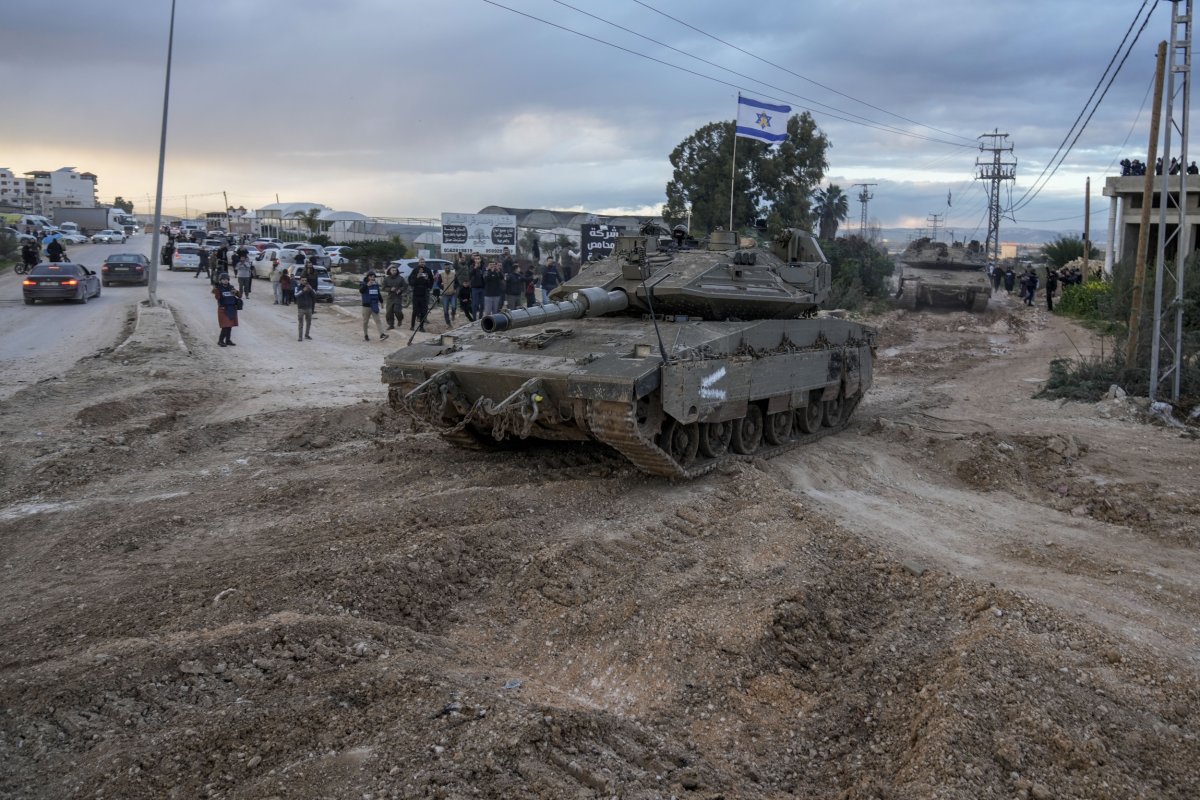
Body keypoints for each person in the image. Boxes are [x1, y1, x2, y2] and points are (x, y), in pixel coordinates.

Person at [212, 273, 242, 347]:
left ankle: (228, 340)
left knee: (230, 326)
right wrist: (215, 289)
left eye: (226, 279)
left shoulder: (231, 287)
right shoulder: (218, 288)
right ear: (220, 280)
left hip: (232, 308)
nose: (225, 281)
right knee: (225, 326)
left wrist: (237, 292)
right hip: (223, 309)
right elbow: (217, 298)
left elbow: (240, 296)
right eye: (223, 279)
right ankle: (220, 340)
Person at [359, 272, 387, 341]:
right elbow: (361, 291)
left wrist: (381, 301)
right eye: (371, 277)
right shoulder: (363, 284)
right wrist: (367, 286)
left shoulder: (376, 285)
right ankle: (366, 335)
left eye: (373, 277)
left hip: (374, 305)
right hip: (366, 306)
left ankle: (382, 335)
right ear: (368, 277)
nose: (372, 278)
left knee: (378, 320)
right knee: (365, 321)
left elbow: (378, 294)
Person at [408, 259, 434, 331]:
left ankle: (421, 327)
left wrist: (427, 280)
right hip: (416, 292)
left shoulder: (428, 270)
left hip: (424, 292)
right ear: (418, 263)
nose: (422, 263)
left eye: (423, 262)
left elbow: (431, 281)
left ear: (425, 263)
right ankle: (412, 326)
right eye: (421, 262)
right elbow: (411, 281)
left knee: (424, 310)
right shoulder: (415, 270)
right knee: (415, 310)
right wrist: (417, 277)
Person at [382, 265, 407, 329]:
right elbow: (383, 288)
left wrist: (400, 290)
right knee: (389, 312)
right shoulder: (386, 279)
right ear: (390, 271)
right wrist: (390, 289)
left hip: (397, 297)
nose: (394, 271)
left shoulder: (400, 278)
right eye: (393, 270)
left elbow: (405, 286)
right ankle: (391, 325)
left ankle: (400, 319)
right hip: (390, 297)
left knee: (397, 310)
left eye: (395, 270)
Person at [296, 275, 316, 341]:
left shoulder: (309, 287)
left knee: (309, 322)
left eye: (305, 280)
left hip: (309, 308)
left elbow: (315, 295)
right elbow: (296, 295)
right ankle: (300, 337)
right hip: (301, 308)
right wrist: (303, 290)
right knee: (301, 323)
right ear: (300, 281)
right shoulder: (298, 287)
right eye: (303, 280)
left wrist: (311, 290)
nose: (304, 281)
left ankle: (307, 335)